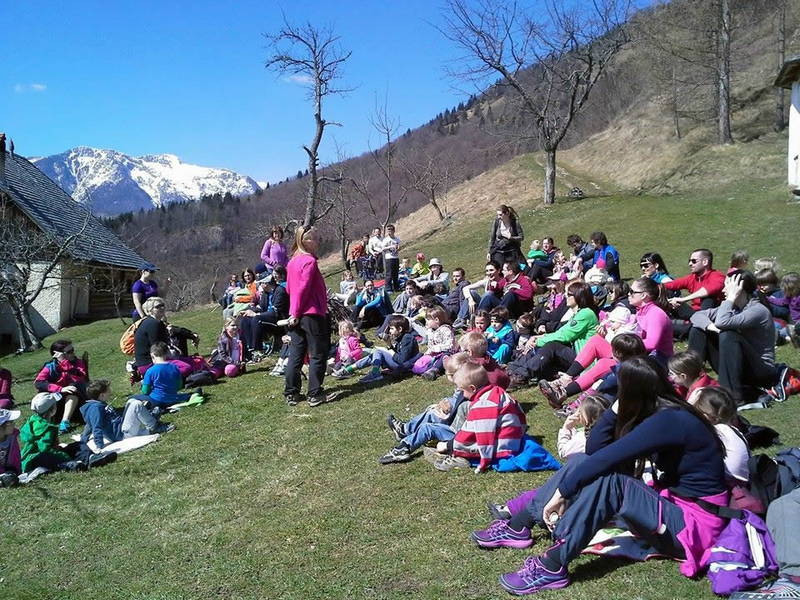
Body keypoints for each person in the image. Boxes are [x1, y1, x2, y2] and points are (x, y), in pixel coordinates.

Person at [471, 357, 729, 595]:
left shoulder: (670, 420)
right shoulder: (658, 411)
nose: (613, 389)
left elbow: (606, 458)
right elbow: (594, 450)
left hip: (694, 527)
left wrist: (561, 494)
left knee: (612, 481)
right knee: (582, 462)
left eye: (619, 387)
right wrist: (616, 409)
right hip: (675, 510)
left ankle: (552, 564)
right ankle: (519, 525)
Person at [688, 270, 777, 406]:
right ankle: (690, 383)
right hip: (737, 366)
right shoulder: (733, 308)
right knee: (699, 329)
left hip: (761, 372)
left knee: (728, 335)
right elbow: (696, 316)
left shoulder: (758, 310)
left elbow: (722, 322)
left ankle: (732, 397)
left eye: (727, 287)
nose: (723, 290)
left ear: (739, 289)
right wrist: (710, 327)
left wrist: (730, 298)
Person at [378, 353, 471, 464]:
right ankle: (404, 436)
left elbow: (458, 414)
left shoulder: (467, 397)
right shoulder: (465, 389)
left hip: (458, 437)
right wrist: (445, 403)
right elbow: (455, 402)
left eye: (451, 376)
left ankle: (403, 445)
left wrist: (445, 412)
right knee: (431, 415)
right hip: (456, 430)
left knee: (429, 422)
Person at [506, 281, 599, 388]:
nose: (566, 296)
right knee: (547, 344)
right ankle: (514, 369)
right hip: (578, 356)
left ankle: (520, 376)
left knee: (551, 346)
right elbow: (561, 332)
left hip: (585, 359)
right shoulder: (579, 313)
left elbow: (564, 336)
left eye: (569, 294)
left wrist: (538, 341)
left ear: (578, 297)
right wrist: (539, 337)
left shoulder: (586, 314)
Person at [284, 225, 335, 408]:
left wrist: (293, 313)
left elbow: (289, 289)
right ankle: (314, 393)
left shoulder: (291, 262)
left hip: (295, 314)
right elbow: (302, 289)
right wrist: (297, 312)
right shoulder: (309, 262)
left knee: (296, 354)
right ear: (305, 241)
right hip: (311, 313)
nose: (318, 242)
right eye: (314, 238)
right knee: (318, 354)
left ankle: (291, 392)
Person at [443, 361, 526, 473]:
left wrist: (450, 445)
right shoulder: (497, 391)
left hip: (504, 447)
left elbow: (483, 435)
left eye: (462, 390)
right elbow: (520, 414)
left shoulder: (483, 404)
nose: (462, 394)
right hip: (514, 439)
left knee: (457, 444)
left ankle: (459, 458)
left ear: (472, 388)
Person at [20, 392, 116, 472]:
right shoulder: (46, 428)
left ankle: (91, 458)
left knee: (78, 445)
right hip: (35, 459)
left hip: (50, 452)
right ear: (53, 409)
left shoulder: (33, 420)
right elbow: (45, 449)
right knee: (47, 458)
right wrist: (64, 456)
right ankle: (69, 465)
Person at [79, 379, 173, 451]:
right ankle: (155, 426)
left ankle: (150, 416)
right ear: (102, 395)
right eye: (108, 390)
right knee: (136, 404)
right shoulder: (95, 408)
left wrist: (83, 439)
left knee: (131, 401)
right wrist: (99, 446)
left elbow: (89, 424)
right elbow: (96, 426)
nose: (110, 392)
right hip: (122, 434)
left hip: (121, 427)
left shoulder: (97, 404)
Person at [689, 386, 749, 485]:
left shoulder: (712, 433)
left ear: (705, 415)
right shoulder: (732, 431)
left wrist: (688, 406)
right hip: (744, 484)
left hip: (727, 486)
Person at [339, 315, 420, 382]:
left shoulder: (407, 339)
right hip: (399, 364)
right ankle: (347, 370)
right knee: (374, 354)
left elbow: (402, 360)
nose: (390, 331)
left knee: (378, 352)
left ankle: (375, 374)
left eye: (392, 328)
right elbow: (399, 353)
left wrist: (390, 351)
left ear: (400, 329)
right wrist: (389, 345)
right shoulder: (401, 337)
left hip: (404, 366)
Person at [34, 340, 89, 433]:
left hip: (76, 399)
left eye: (72, 350)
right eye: (69, 352)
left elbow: (80, 378)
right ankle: (41, 423)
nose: (73, 353)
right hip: (57, 400)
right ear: (58, 354)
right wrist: (60, 389)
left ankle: (65, 422)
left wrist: (65, 364)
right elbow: (38, 383)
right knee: (41, 396)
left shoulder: (78, 363)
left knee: (73, 389)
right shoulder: (50, 367)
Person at [239, 265, 289, 359]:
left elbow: (275, 312)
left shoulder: (280, 291)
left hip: (278, 321)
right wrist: (249, 311)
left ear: (266, 283)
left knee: (257, 318)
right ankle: (249, 348)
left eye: (261, 283)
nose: (260, 286)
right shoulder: (266, 294)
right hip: (267, 318)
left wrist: (256, 314)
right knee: (245, 319)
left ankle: (258, 349)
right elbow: (261, 307)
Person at [665, 248, 726, 319]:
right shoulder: (692, 278)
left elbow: (708, 290)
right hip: (693, 314)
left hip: (712, 315)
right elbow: (671, 285)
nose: (690, 264)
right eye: (689, 261)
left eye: (694, 261)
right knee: (666, 291)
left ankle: (701, 321)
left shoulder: (718, 277)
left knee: (708, 297)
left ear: (705, 262)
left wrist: (683, 299)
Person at [136, 342, 201, 409]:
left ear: (152, 356)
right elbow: (179, 386)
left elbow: (145, 391)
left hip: (157, 399)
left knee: (133, 398)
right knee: (183, 396)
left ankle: (148, 405)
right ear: (167, 353)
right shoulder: (175, 367)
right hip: (173, 398)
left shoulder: (150, 371)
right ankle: (193, 395)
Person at [556, 394, 608, 459]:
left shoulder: (583, 440)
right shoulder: (609, 432)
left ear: (587, 419)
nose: (577, 413)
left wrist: (566, 428)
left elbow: (563, 452)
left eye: (580, 411)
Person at [455, 261, 505, 325]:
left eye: (491, 270)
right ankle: (461, 319)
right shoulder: (487, 281)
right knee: (472, 293)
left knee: (488, 294)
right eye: (487, 271)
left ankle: (475, 319)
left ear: (498, 271)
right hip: (486, 307)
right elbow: (465, 288)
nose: (489, 273)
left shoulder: (504, 281)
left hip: (499, 307)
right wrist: (470, 300)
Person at [0, 408, 22, 486]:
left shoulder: (12, 438)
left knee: (11, 479)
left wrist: (17, 471)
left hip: (9, 470)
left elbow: (16, 457)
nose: (14, 424)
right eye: (11, 422)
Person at [381, 224, 401, 292]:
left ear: (393, 230)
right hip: (389, 258)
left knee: (396, 273)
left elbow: (399, 247)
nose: (389, 231)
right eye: (388, 230)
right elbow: (383, 248)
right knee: (389, 274)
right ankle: (388, 288)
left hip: (396, 257)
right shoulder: (386, 240)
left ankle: (396, 287)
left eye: (391, 230)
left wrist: (398, 248)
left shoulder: (397, 239)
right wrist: (390, 247)